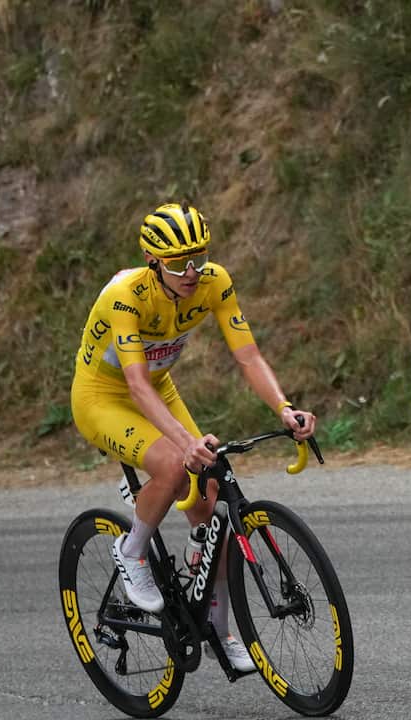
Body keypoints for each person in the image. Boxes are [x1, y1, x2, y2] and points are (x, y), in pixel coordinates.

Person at [71, 202, 317, 671]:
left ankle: (219, 632)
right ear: (153, 263)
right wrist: (183, 443)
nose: (191, 271)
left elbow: (247, 356)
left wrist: (284, 407)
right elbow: (136, 385)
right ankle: (132, 550)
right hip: (103, 397)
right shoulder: (125, 295)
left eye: (198, 257)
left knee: (213, 510)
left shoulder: (214, 282)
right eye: (178, 262)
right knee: (171, 462)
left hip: (158, 390)